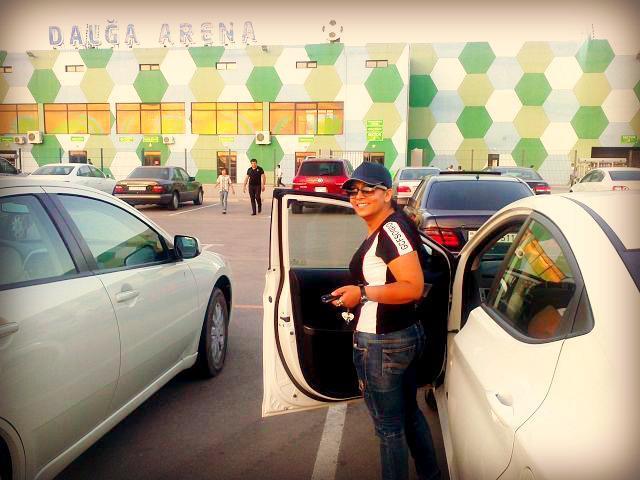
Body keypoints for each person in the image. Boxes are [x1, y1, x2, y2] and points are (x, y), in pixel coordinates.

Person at [330, 162, 440, 480]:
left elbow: (412, 287)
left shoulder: (392, 229)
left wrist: (362, 293)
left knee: (389, 429)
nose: (358, 196)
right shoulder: (391, 225)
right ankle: (431, 475)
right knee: (408, 415)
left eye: (368, 190)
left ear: (387, 194)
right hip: (400, 336)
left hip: (382, 343)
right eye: (353, 191)